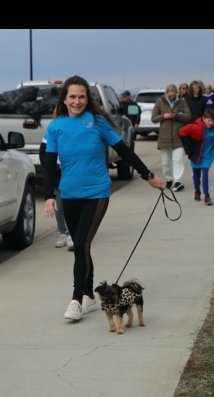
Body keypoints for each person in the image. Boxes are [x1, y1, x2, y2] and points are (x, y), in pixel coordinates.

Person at [41, 75, 165, 322]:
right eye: (73, 97)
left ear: (88, 99)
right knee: (81, 246)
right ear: (64, 100)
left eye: (82, 97)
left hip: (96, 193)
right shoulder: (55, 127)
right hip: (69, 194)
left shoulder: (97, 123)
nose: (77, 101)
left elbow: (123, 151)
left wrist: (148, 175)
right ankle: (89, 294)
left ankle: (76, 299)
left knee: (81, 245)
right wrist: (48, 196)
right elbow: (46, 162)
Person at [151, 83, 191, 191]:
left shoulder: (182, 102)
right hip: (164, 137)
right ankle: (169, 179)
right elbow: (153, 118)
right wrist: (164, 116)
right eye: (169, 94)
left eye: (172, 94)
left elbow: (188, 117)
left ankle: (177, 181)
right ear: (166, 93)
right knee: (165, 161)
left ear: (176, 93)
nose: (170, 96)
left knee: (178, 159)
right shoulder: (160, 101)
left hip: (178, 136)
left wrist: (176, 115)